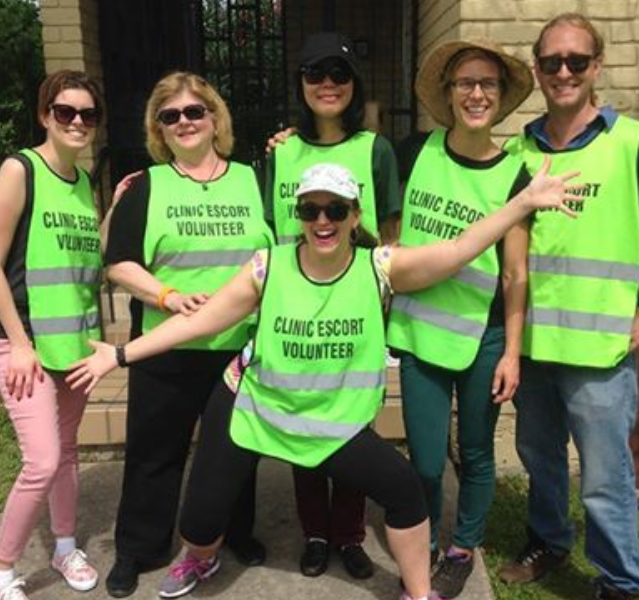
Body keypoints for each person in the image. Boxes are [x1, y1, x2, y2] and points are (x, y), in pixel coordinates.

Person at [68, 161, 578, 600]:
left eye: (335, 209)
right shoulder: (268, 266)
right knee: (199, 523)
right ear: (299, 217)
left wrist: (523, 202)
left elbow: (461, 249)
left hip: (332, 421)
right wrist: (121, 352)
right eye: (310, 209)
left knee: (405, 492)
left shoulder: (380, 267)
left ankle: (417, 590)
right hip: (254, 407)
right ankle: (202, 557)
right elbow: (200, 320)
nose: (322, 220)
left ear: (356, 216)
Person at [498, 13, 639, 600]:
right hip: (536, 347)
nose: (563, 72)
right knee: (538, 457)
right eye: (551, 62)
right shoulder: (521, 150)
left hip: (601, 354)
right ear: (539, 70)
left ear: (597, 67)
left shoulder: (634, 143)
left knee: (603, 480)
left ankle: (619, 582)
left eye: (575, 61)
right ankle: (549, 540)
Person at [102, 71, 273, 598]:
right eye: (170, 115)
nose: (184, 122)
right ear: (159, 127)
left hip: (237, 347)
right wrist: (166, 296)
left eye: (194, 111)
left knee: (235, 450)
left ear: (215, 118)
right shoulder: (145, 185)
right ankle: (138, 548)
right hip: (168, 345)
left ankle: (234, 534)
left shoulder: (255, 178)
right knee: (154, 453)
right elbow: (119, 263)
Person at [387, 38, 534, 599]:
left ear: (500, 96)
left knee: (474, 452)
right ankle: (421, 542)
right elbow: (390, 234)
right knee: (425, 459)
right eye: (465, 83)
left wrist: (513, 352)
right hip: (420, 331)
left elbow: (516, 276)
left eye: (488, 84)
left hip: (485, 334)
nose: (476, 93)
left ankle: (461, 547)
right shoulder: (413, 151)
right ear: (447, 95)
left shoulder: (514, 176)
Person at [264, 30, 402, 580]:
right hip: (293, 307)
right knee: (302, 424)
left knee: (350, 426)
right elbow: (273, 232)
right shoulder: (280, 152)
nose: (327, 84)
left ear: (354, 84)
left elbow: (390, 238)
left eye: (339, 74)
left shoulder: (377, 150)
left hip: (355, 308)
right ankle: (314, 532)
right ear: (300, 83)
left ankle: (348, 533)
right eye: (314, 73)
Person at [0, 70, 105, 600]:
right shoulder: (19, 169)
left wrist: (113, 207)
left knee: (68, 453)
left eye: (87, 114)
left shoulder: (81, 183)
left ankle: (65, 545)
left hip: (72, 343)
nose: (76, 121)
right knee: (43, 461)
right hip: (24, 343)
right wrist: (21, 344)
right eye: (65, 112)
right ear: (44, 116)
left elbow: (79, 260)